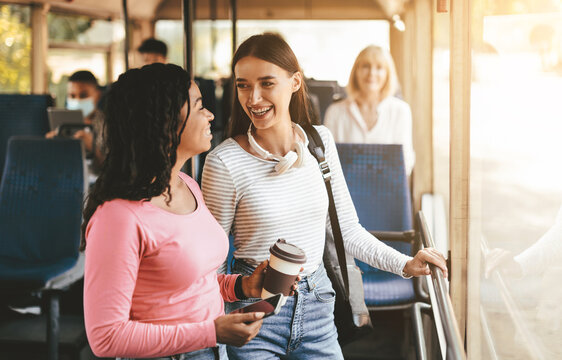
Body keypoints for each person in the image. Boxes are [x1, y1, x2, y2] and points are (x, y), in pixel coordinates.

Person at [201, 33, 448, 360]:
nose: (254, 98)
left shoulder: (320, 143)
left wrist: (406, 264)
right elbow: (210, 266)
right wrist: (217, 336)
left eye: (266, 83)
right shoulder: (224, 162)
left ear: (294, 82)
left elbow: (347, 230)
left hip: (318, 307)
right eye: (243, 85)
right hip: (255, 308)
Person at [82, 63, 280, 359]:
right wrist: (211, 332)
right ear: (165, 121)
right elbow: (106, 337)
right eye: (199, 106)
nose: (210, 115)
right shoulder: (118, 218)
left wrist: (243, 287)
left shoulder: (187, 185)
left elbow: (187, 286)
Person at [323, 45, 415, 175]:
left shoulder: (401, 111)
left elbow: (406, 162)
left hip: (387, 191)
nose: (372, 73)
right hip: (345, 193)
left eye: (379, 67)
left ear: (388, 74)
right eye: (366, 66)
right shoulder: (335, 112)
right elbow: (328, 162)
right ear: (356, 71)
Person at [46, 70, 106, 173]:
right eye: (72, 96)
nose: (77, 100)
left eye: (83, 95)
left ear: (98, 95)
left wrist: (93, 148)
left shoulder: (109, 124)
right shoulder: (60, 124)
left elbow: (114, 171)